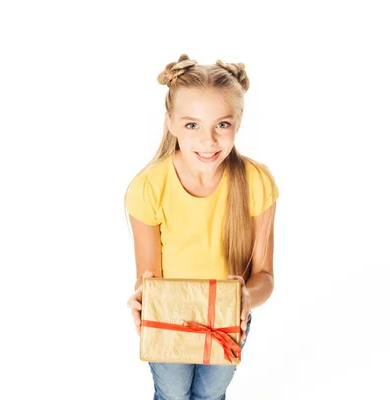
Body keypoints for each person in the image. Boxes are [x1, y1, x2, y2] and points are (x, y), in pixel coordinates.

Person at [124, 54, 279, 400]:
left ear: (238, 122)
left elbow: (264, 277)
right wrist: (141, 297)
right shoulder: (148, 187)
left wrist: (245, 298)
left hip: (227, 317)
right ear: (171, 123)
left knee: (211, 395)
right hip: (169, 315)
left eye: (221, 125)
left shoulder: (256, 182)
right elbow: (147, 276)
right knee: (173, 395)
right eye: (192, 125)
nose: (208, 141)